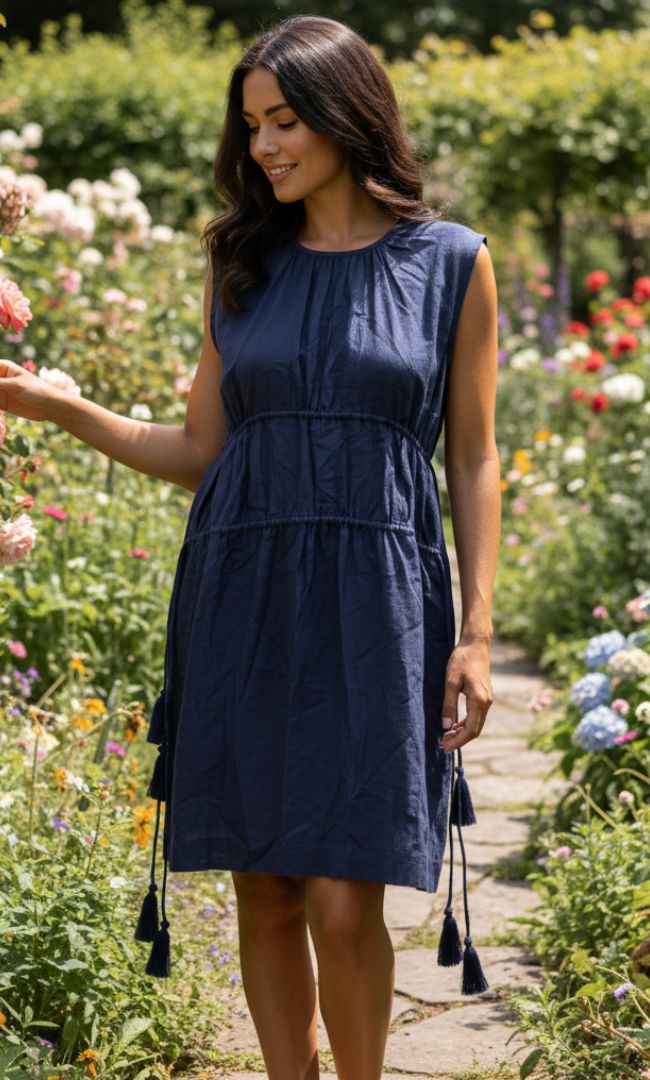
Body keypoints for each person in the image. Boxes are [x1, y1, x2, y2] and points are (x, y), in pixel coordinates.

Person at [0, 13, 500, 1080]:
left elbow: (472, 460)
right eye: (253, 127)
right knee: (265, 885)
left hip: (377, 595)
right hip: (243, 587)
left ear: (343, 114)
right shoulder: (240, 266)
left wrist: (477, 633)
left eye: (284, 121)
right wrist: (65, 408)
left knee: (340, 881)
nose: (264, 146)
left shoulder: (452, 263)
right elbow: (199, 450)